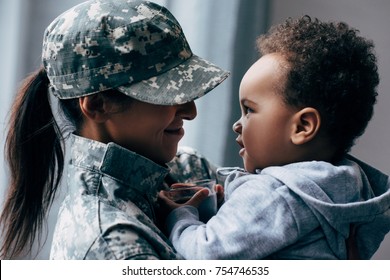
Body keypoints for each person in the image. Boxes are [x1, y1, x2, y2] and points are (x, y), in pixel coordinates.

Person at [0, 0, 229, 260]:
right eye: (169, 94)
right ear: (97, 105)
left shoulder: (189, 170)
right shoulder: (112, 245)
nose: (191, 111)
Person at [158, 15, 390, 259]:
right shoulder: (346, 188)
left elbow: (205, 255)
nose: (237, 124)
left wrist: (181, 216)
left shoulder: (274, 194)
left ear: (302, 126)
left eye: (249, 110)